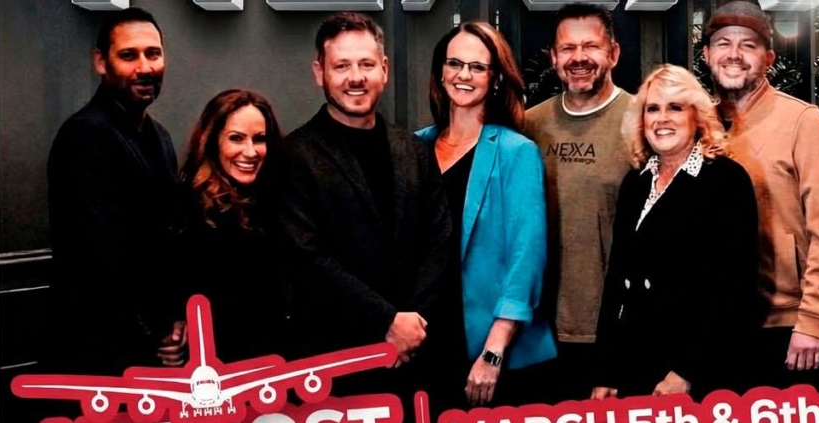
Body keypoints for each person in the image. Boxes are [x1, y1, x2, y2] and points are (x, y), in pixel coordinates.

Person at [262, 10, 453, 408]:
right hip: (336, 365)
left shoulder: (414, 150)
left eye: (366, 64)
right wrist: (387, 321)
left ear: (384, 70)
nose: (355, 77)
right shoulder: (294, 156)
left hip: (416, 360)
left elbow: (439, 241)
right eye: (342, 65)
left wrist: (410, 324)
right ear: (320, 72)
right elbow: (305, 258)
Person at [588, 64, 765, 401]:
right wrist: (606, 370)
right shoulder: (635, 182)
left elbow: (733, 289)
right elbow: (617, 281)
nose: (662, 118)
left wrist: (686, 371)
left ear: (697, 116)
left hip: (698, 371)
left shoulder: (726, 180)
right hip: (636, 365)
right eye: (652, 109)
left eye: (675, 107)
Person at [702, 0, 819, 394]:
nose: (734, 54)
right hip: (715, 327)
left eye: (748, 45)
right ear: (707, 55)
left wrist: (812, 321)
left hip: (784, 326)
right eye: (723, 43)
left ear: (768, 58)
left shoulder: (802, 121)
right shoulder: (698, 126)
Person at [415, 21, 556, 408]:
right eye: (454, 63)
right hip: (426, 342)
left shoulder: (516, 151)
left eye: (477, 67)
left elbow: (526, 257)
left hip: (490, 349)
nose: (463, 75)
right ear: (440, 71)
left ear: (495, 79)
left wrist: (493, 351)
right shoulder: (414, 147)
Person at [45, 7, 186, 376]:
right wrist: (158, 334)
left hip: (149, 348)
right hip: (98, 352)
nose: (145, 67)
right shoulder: (84, 135)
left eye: (153, 54)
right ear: (100, 62)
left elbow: (166, 244)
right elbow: (102, 256)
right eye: (128, 55)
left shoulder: (160, 137)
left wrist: (175, 324)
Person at [522, 3, 635, 402]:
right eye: (568, 48)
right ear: (553, 57)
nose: (579, 57)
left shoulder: (644, 122)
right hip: (538, 330)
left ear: (613, 54)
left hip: (617, 329)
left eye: (591, 46)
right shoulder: (529, 126)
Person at [176, 89, 291, 363]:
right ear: (212, 141)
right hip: (219, 369)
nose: (250, 152)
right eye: (236, 138)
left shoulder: (277, 199)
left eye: (259, 139)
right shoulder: (189, 208)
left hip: (275, 364)